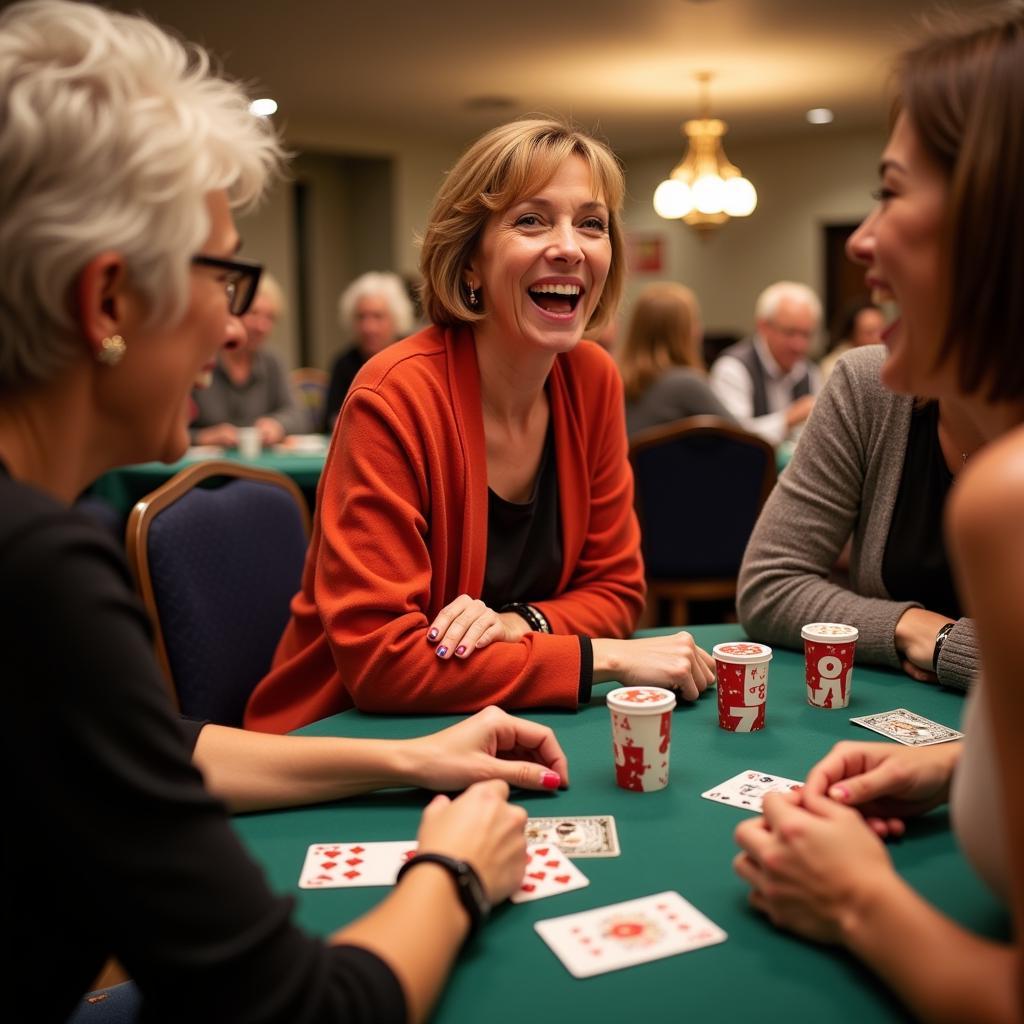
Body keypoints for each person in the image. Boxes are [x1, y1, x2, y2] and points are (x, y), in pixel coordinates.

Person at [0, 3, 558, 1020]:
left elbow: (163, 747)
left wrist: (412, 757)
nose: (235, 317)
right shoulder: (37, 575)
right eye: (225, 272)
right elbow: (304, 1009)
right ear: (108, 303)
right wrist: (457, 871)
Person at [734, 7, 1024, 1019]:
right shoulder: (870, 388)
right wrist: (953, 767)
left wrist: (859, 902)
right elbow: (766, 588)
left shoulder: (1009, 499)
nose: (858, 240)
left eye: (890, 193)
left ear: (996, 219)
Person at [246, 118, 716, 733]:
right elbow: (385, 663)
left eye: (592, 223)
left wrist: (519, 623)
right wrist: (600, 655)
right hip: (343, 738)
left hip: (496, 722)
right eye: (532, 220)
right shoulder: (394, 396)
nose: (570, 246)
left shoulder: (592, 380)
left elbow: (618, 590)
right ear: (470, 262)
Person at [737, 344, 981, 690]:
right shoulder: (872, 382)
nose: (877, 290)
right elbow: (769, 586)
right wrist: (912, 627)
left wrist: (949, 646)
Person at [192, 271, 307, 447]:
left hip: (260, 469)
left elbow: (298, 416)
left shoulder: (272, 362)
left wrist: (277, 425)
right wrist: (203, 437)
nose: (262, 326)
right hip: (205, 469)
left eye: (270, 318)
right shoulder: (199, 360)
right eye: (253, 313)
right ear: (233, 313)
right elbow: (163, 432)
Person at [709, 280, 823, 446]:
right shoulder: (732, 368)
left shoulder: (810, 372)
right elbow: (734, 438)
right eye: (790, 333)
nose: (799, 345)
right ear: (763, 327)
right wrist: (788, 419)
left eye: (806, 335)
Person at [619, 281, 735, 436]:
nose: (699, 330)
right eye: (694, 322)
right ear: (684, 333)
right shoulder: (686, 384)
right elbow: (750, 443)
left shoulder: (617, 379)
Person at [322, 271, 415, 432]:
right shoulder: (344, 363)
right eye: (361, 317)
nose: (368, 327)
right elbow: (331, 419)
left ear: (396, 319)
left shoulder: (411, 359)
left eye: (377, 316)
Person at [819, 299, 885, 379]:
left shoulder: (887, 362)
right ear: (852, 335)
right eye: (869, 333)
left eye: (881, 331)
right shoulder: (834, 367)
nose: (877, 339)